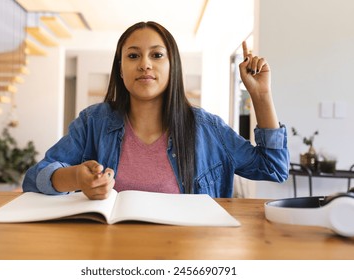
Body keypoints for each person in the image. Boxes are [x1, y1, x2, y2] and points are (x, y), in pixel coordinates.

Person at [22, 21, 289, 200]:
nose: (145, 65)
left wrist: (261, 94)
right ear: (120, 68)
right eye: (133, 55)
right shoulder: (94, 122)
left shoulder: (207, 128)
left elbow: (273, 168)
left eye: (157, 55)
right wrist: (74, 177)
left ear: (173, 66)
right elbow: (35, 179)